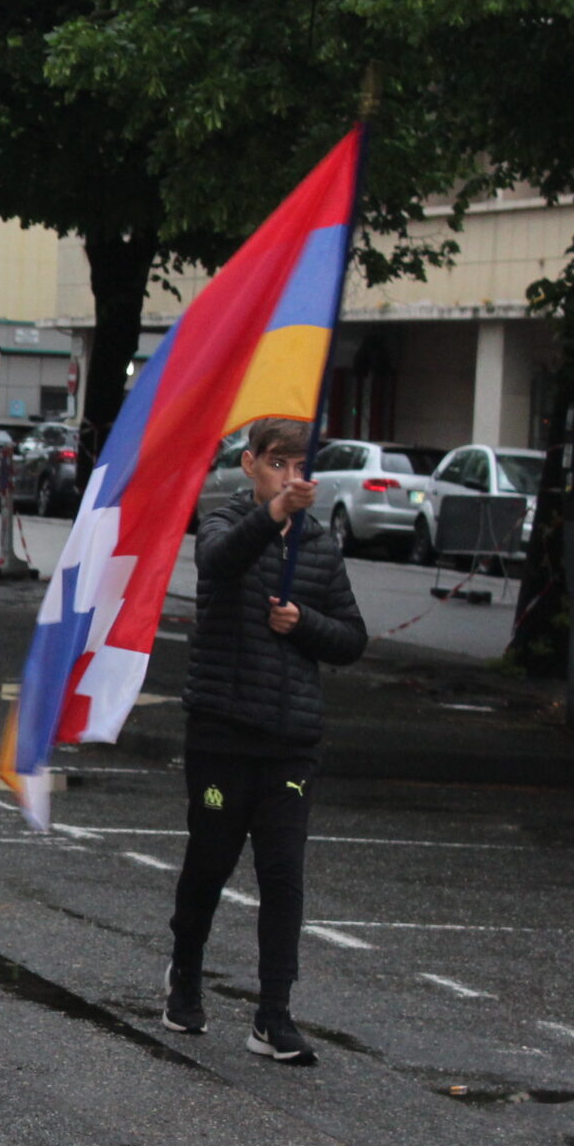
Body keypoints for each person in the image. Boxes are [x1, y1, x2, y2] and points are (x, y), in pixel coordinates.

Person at [161, 417, 367, 1065]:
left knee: (282, 874)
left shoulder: (320, 546)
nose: (290, 478)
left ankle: (273, 1013)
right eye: (278, 464)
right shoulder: (224, 523)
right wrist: (272, 514)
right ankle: (185, 973)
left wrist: (304, 623)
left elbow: (352, 637)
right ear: (250, 464)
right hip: (222, 733)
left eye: (301, 468)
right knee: (211, 860)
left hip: (290, 741)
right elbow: (219, 561)